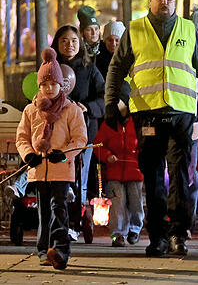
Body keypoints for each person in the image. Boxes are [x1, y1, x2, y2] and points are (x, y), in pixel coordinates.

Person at [104, 0, 198, 257]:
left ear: (176, 2)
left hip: (181, 113)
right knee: (152, 178)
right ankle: (158, 236)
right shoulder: (135, 29)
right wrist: (110, 102)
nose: (164, 2)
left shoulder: (187, 29)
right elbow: (116, 68)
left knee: (180, 176)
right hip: (147, 113)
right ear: (150, 1)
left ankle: (178, 234)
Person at [16, 48, 87, 269]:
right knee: (43, 210)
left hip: (61, 169)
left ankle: (60, 249)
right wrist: (28, 155)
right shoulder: (30, 110)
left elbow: (80, 138)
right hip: (38, 170)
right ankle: (43, 249)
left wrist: (64, 155)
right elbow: (22, 137)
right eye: (45, 85)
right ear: (39, 86)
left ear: (60, 85)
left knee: (59, 208)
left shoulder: (71, 110)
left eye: (53, 84)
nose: (49, 89)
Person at [52, 25, 105, 205]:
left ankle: (78, 217)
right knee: (57, 176)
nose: (69, 45)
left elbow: (104, 96)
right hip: (56, 134)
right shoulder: (51, 68)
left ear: (80, 44)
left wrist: (88, 107)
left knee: (80, 176)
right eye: (64, 41)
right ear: (57, 44)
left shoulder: (89, 69)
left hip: (83, 133)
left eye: (74, 41)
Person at [94, 95, 144, 248]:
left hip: (135, 171)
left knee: (136, 203)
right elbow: (98, 145)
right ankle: (118, 233)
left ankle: (135, 230)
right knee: (117, 204)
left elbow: (143, 144)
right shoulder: (108, 125)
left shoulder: (137, 123)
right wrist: (108, 156)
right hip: (114, 172)